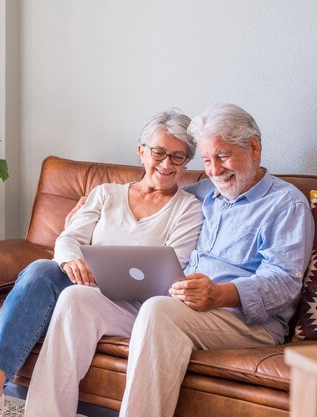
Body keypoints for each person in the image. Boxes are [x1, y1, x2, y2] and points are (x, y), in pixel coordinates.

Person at [24, 103, 315, 417]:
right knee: (76, 299)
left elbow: (285, 281)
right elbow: (154, 196)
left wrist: (220, 294)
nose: (215, 170)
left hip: (244, 321)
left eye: (223, 156)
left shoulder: (285, 204)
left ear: (254, 148)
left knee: (159, 309)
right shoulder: (203, 192)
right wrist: (76, 221)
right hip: (179, 305)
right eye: (206, 160)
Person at [0, 109, 203, 417]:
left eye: (178, 157)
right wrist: (72, 259)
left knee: (38, 290)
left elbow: (170, 268)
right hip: (81, 284)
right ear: (141, 151)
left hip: (131, 304)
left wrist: (96, 268)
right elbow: (67, 238)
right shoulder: (106, 194)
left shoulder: (189, 210)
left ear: (186, 162)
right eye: (159, 152)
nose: (167, 164)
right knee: (40, 271)